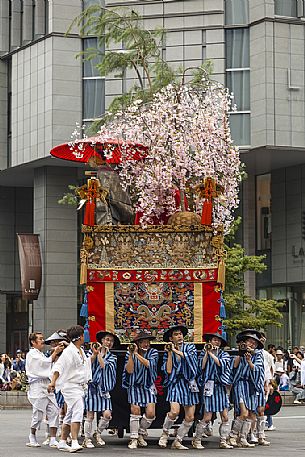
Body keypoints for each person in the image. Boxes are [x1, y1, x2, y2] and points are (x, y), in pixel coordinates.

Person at [48, 325, 92, 453]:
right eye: (83, 335)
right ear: (79, 337)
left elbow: (86, 364)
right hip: (70, 386)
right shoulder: (69, 352)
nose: (85, 337)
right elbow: (58, 367)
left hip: (79, 386)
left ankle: (62, 441)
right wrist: (52, 382)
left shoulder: (79, 350)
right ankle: (74, 441)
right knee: (78, 411)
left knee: (69, 415)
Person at [158, 325, 199, 450]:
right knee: (174, 411)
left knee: (190, 416)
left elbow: (191, 359)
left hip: (189, 382)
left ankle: (178, 440)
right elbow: (168, 370)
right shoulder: (168, 352)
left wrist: (175, 351)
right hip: (175, 382)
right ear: (171, 338)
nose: (179, 336)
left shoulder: (190, 347)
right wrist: (170, 353)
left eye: (180, 334)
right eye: (176, 334)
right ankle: (164, 434)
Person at [194, 332, 232, 449]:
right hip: (209, 386)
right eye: (214, 340)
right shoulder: (203, 353)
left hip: (220, 387)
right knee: (207, 417)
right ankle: (197, 440)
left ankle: (223, 440)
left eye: (218, 341)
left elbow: (222, 364)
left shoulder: (223, 354)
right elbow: (201, 366)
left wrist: (211, 354)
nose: (217, 342)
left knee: (225, 417)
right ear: (209, 342)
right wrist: (206, 353)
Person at [25, 332, 63, 448]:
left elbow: (48, 364)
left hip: (47, 384)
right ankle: (32, 436)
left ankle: (52, 438)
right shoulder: (32, 354)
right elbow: (45, 363)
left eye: (42, 339)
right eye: (40, 339)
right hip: (37, 385)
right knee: (38, 414)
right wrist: (55, 352)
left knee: (55, 411)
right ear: (33, 342)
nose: (42, 341)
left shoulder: (40, 354)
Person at [228, 330, 265, 448]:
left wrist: (249, 361)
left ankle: (243, 437)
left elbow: (258, 370)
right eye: (250, 341)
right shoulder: (238, 353)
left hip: (251, 385)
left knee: (250, 413)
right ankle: (232, 435)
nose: (252, 344)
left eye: (254, 343)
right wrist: (240, 353)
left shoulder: (258, 355)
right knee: (243, 412)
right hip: (240, 384)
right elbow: (233, 367)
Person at [122, 332, 159, 449]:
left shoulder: (153, 352)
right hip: (134, 385)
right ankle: (133, 439)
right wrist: (131, 355)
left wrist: (136, 354)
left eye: (148, 341)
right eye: (143, 341)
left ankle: (140, 433)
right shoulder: (130, 353)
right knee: (136, 410)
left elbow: (149, 364)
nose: (146, 344)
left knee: (151, 413)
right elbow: (129, 370)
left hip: (148, 385)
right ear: (138, 343)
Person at [83, 330, 119, 448]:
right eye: (107, 340)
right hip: (92, 387)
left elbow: (103, 366)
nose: (109, 342)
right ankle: (87, 438)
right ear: (102, 341)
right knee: (90, 415)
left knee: (107, 415)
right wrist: (95, 353)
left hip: (104, 389)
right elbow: (88, 363)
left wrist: (98, 353)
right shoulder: (89, 352)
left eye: (111, 341)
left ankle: (97, 433)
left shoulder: (112, 357)